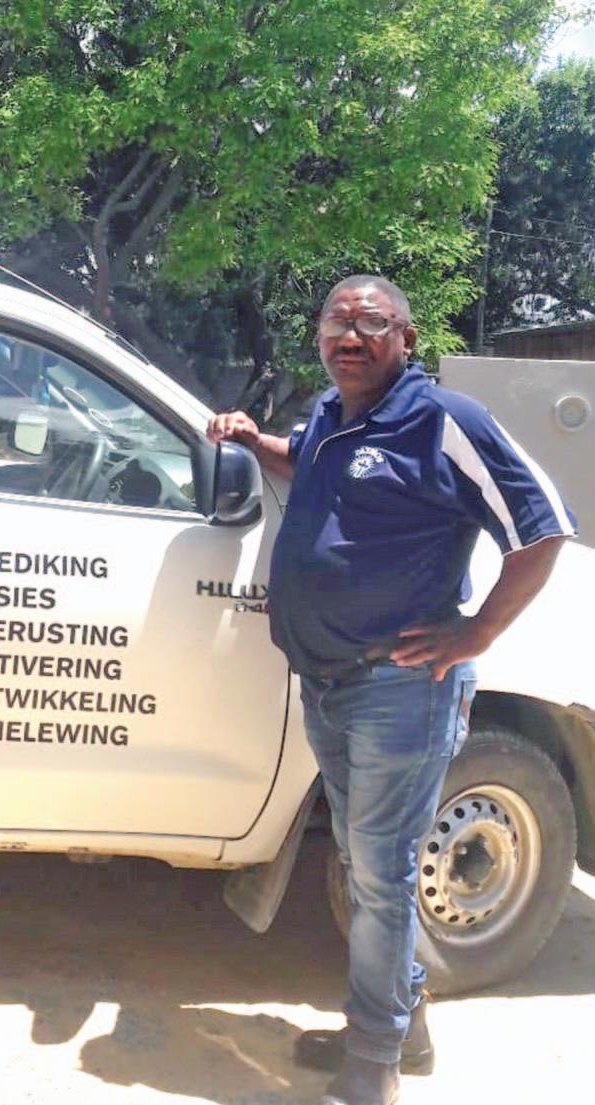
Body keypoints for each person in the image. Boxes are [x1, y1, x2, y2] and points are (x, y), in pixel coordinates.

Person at [207, 275, 574, 1105]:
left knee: (377, 873)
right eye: (336, 322)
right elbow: (310, 468)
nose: (349, 336)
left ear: (405, 338)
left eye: (370, 323)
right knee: (366, 861)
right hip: (329, 681)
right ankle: (404, 1030)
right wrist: (256, 442)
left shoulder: (442, 419)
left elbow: (543, 525)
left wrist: (476, 631)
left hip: (398, 688)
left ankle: (372, 1062)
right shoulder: (331, 415)